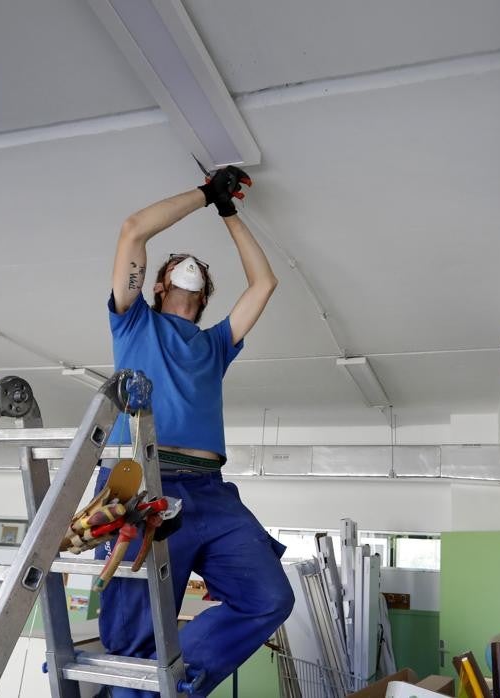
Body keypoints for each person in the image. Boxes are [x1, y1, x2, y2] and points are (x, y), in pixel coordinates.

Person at [95, 166, 293, 696]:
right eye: (178, 263)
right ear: (158, 285)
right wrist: (207, 194)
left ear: (203, 292)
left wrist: (230, 213)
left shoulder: (216, 343)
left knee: (269, 598)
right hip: (140, 481)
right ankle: (136, 688)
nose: (189, 266)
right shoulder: (134, 320)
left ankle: (183, 679)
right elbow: (134, 228)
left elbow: (265, 283)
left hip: (211, 492)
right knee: (132, 636)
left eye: (197, 268)